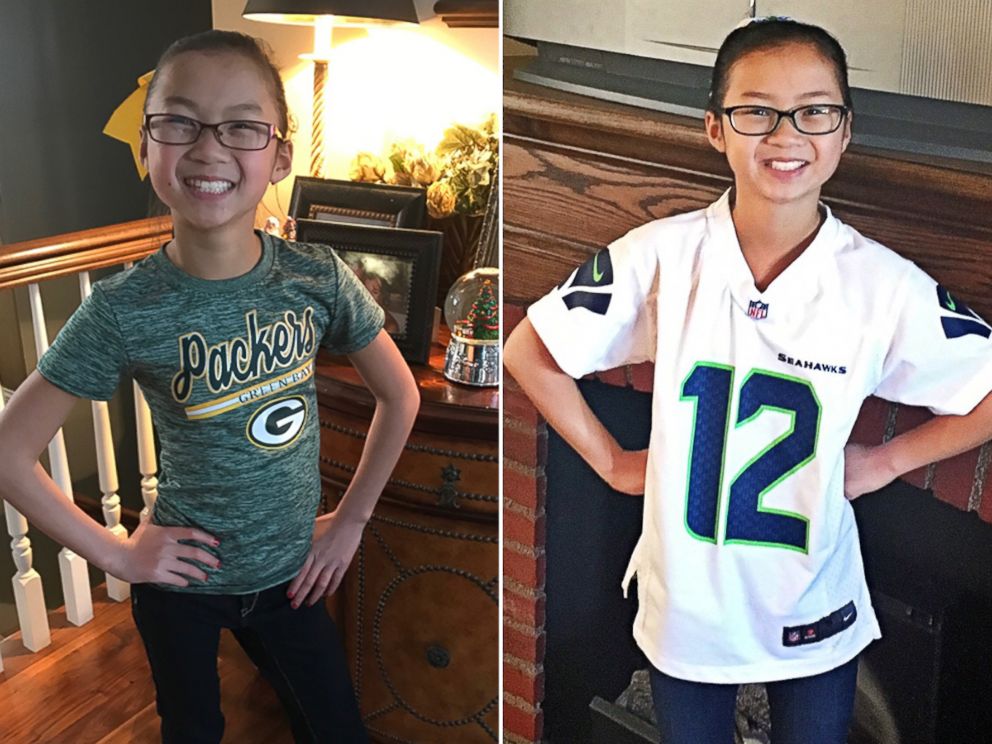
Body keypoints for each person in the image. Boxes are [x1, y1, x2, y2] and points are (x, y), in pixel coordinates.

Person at [503, 17, 992, 744]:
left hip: (811, 600)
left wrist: (889, 460)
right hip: (690, 604)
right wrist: (609, 461)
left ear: (845, 131)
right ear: (715, 128)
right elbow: (527, 350)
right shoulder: (662, 255)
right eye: (756, 111)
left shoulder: (883, 286)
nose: (786, 134)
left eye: (814, 110)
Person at [0, 30, 420, 744]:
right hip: (179, 591)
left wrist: (350, 520)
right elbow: (9, 453)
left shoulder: (317, 278)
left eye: (241, 127)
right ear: (145, 145)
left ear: (279, 155)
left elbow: (401, 396)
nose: (208, 147)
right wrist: (116, 553)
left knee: (337, 729)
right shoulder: (123, 309)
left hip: (292, 580)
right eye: (180, 121)